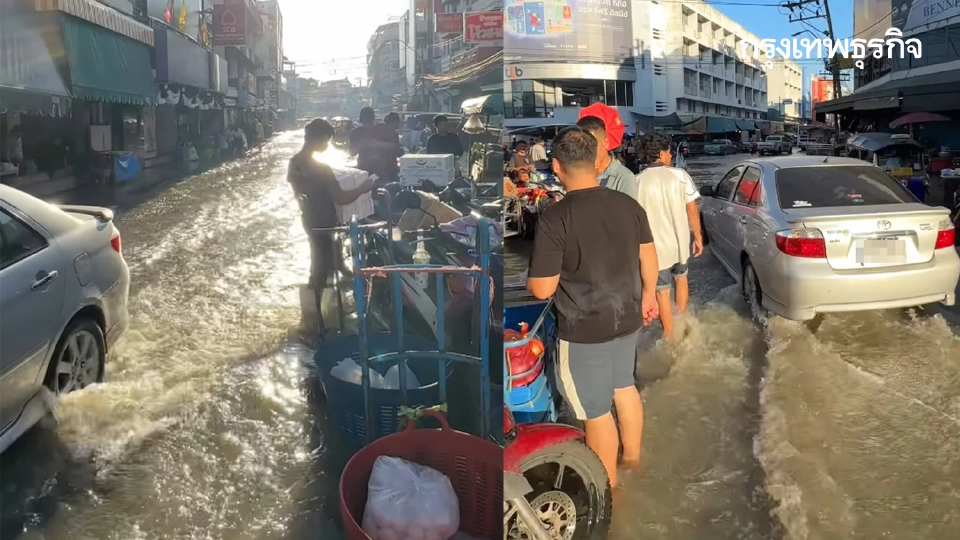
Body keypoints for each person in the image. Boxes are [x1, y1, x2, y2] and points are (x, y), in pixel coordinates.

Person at [526, 127, 660, 487]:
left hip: (585, 330)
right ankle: (633, 461)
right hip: (627, 317)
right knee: (625, 388)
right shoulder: (628, 205)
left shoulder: (555, 218)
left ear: (556, 166)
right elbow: (648, 255)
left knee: (597, 416)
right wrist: (648, 296)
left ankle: (609, 495)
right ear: (595, 162)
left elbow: (542, 290)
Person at [288, 119, 374, 290]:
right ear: (318, 139)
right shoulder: (322, 169)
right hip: (325, 221)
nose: (327, 145)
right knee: (321, 265)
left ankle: (335, 278)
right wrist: (362, 189)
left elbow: (300, 188)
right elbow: (341, 198)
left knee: (325, 254)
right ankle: (320, 307)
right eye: (326, 141)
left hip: (308, 218)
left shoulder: (294, 163)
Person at [634, 132, 703, 342]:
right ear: (662, 153)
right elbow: (692, 211)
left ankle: (669, 334)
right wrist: (698, 237)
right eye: (669, 152)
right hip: (680, 243)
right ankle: (680, 321)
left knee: (662, 291)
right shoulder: (680, 176)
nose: (671, 156)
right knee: (681, 279)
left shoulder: (636, 182)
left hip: (654, 250)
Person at [575, 116, 638, 201]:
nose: (587, 150)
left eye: (592, 145)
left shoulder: (623, 177)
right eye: (581, 146)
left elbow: (628, 212)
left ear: (606, 143)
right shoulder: (575, 174)